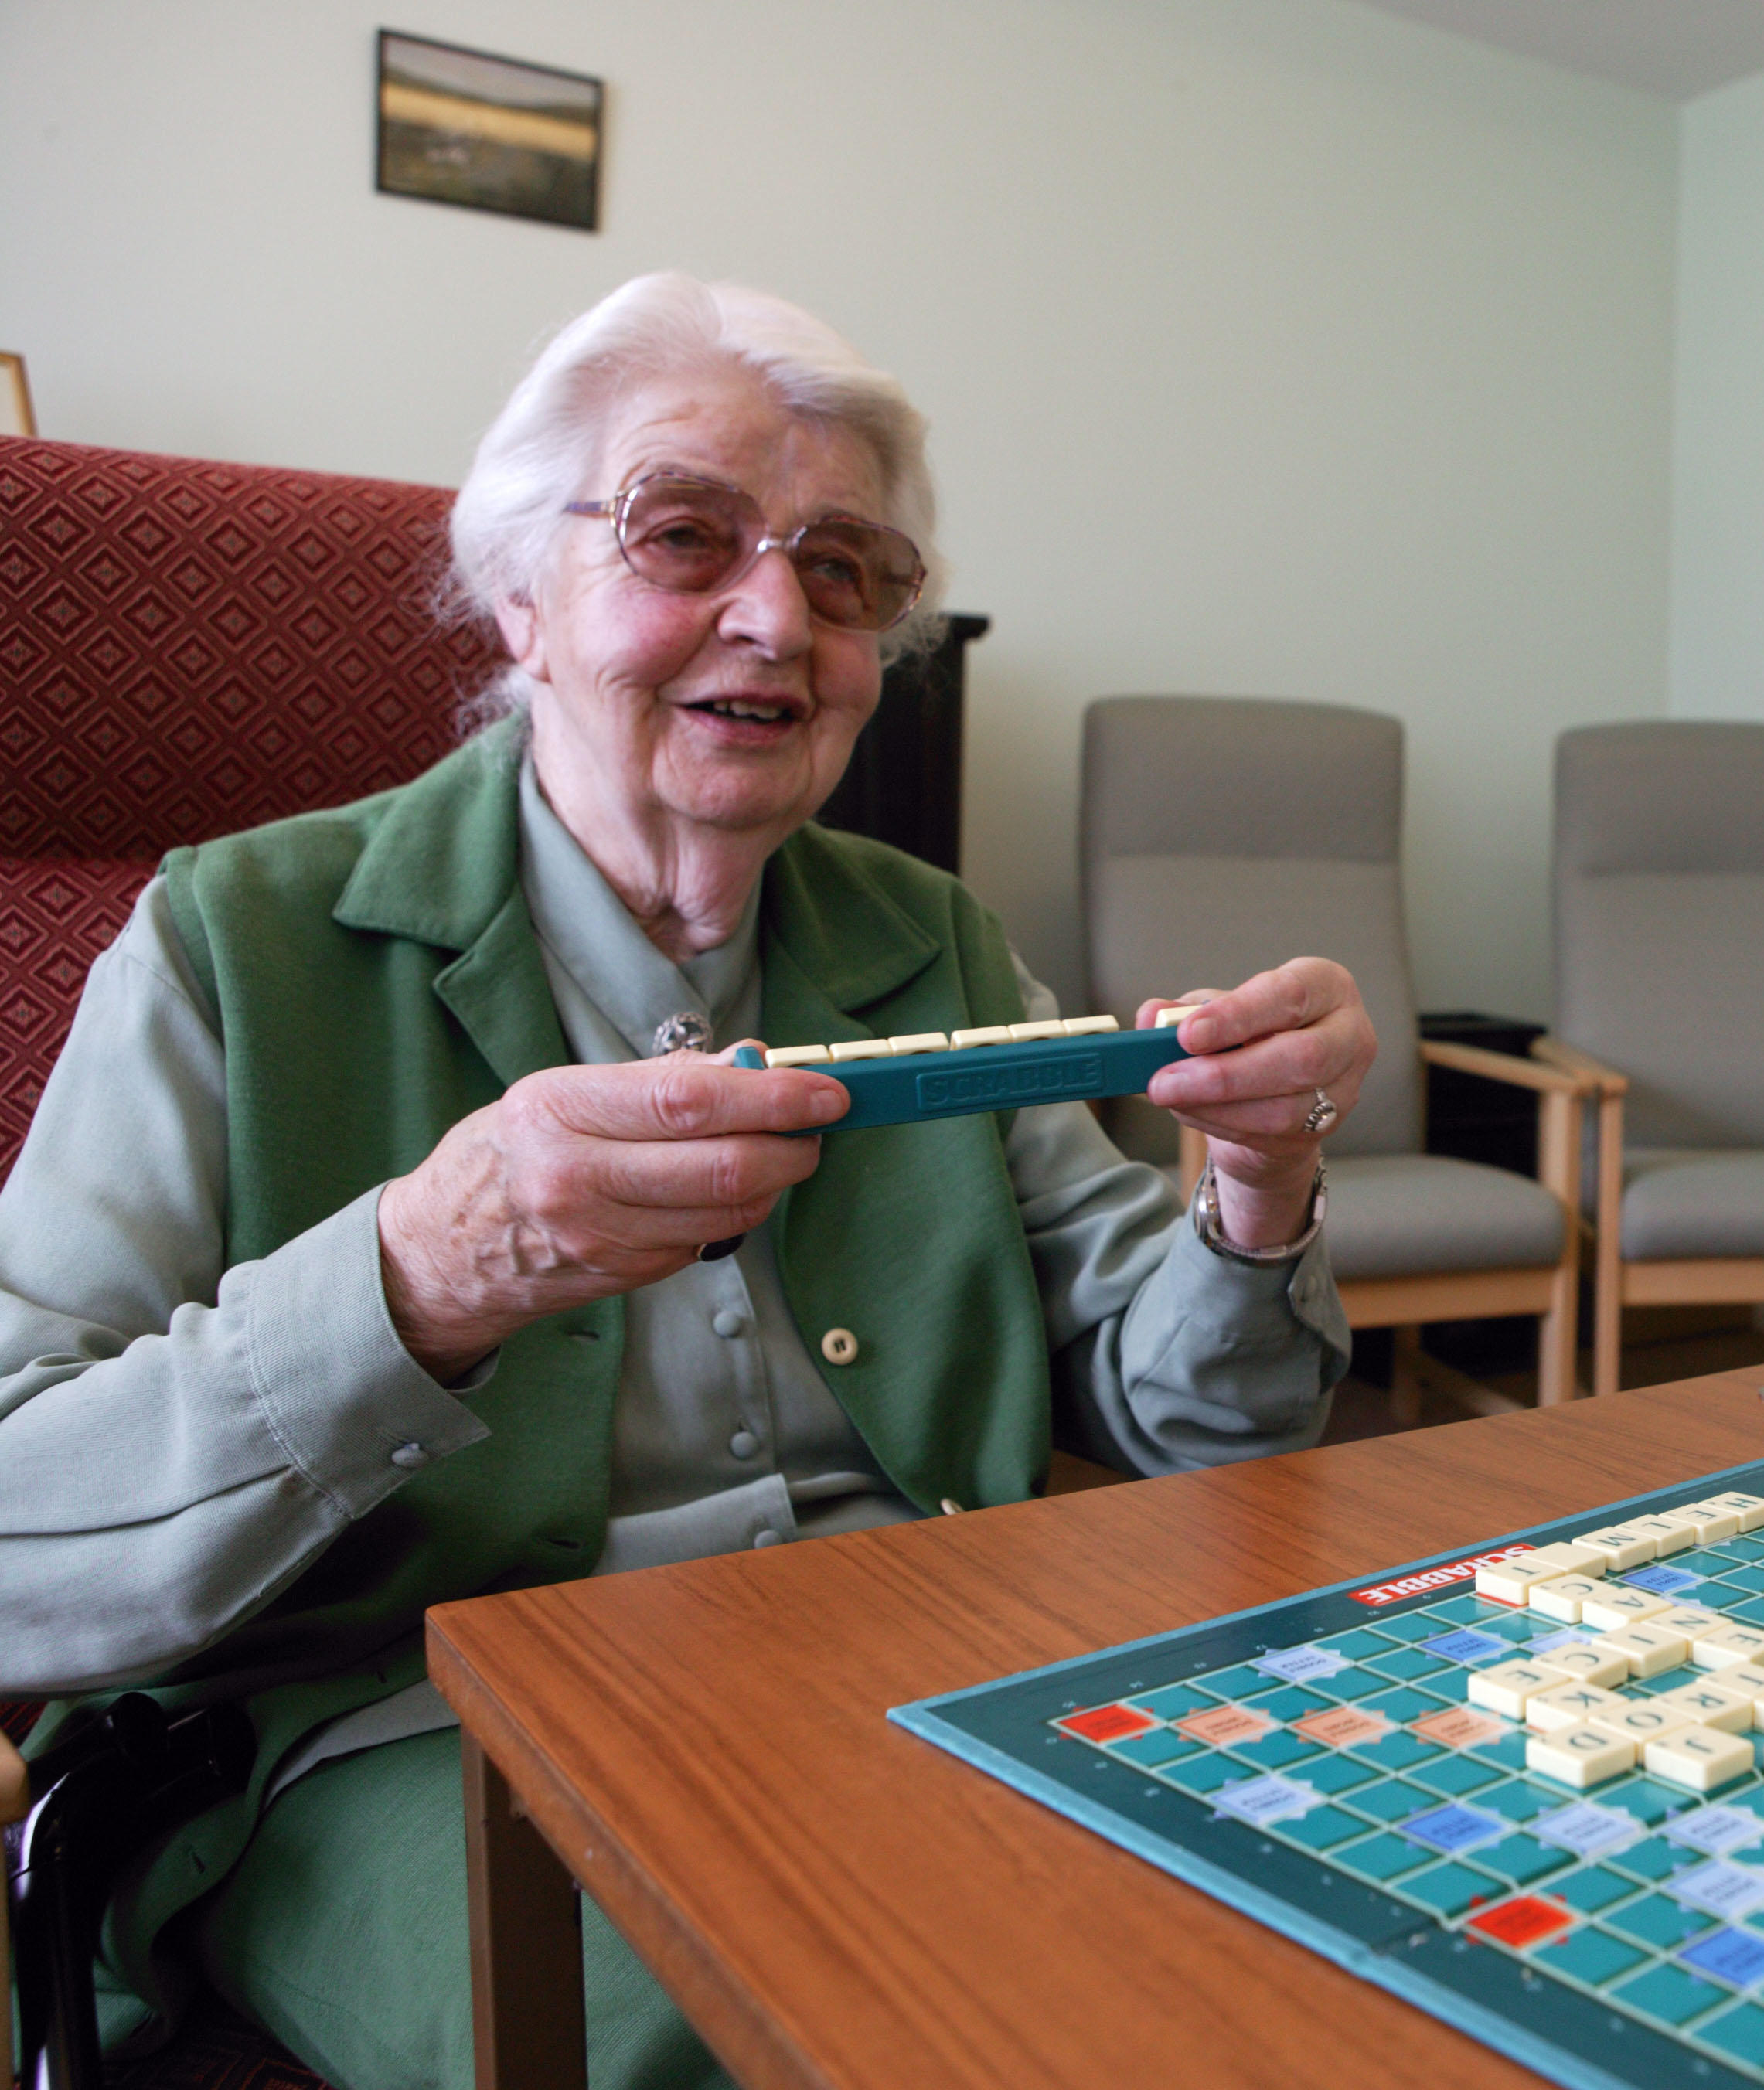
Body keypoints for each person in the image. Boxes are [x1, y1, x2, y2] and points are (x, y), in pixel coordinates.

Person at [0, 274, 1373, 2089]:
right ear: (517, 599)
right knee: (819, 2027)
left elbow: (1200, 1419)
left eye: (844, 569)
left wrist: (1253, 1191)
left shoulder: (931, 939)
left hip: (944, 1671)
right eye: (685, 535)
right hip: (397, 1731)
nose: (773, 616)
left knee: (1357, 1906)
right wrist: (428, 1268)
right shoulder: (228, 941)